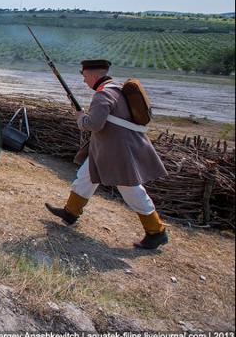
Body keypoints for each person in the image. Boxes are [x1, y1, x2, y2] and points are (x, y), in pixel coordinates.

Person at [45, 58, 170, 250]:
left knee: (132, 190)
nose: (84, 80)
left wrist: (81, 119)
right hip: (107, 148)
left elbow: (94, 124)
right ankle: (71, 212)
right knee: (85, 176)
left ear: (95, 75)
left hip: (117, 151)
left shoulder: (103, 95)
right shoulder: (115, 89)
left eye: (85, 76)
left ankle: (156, 231)